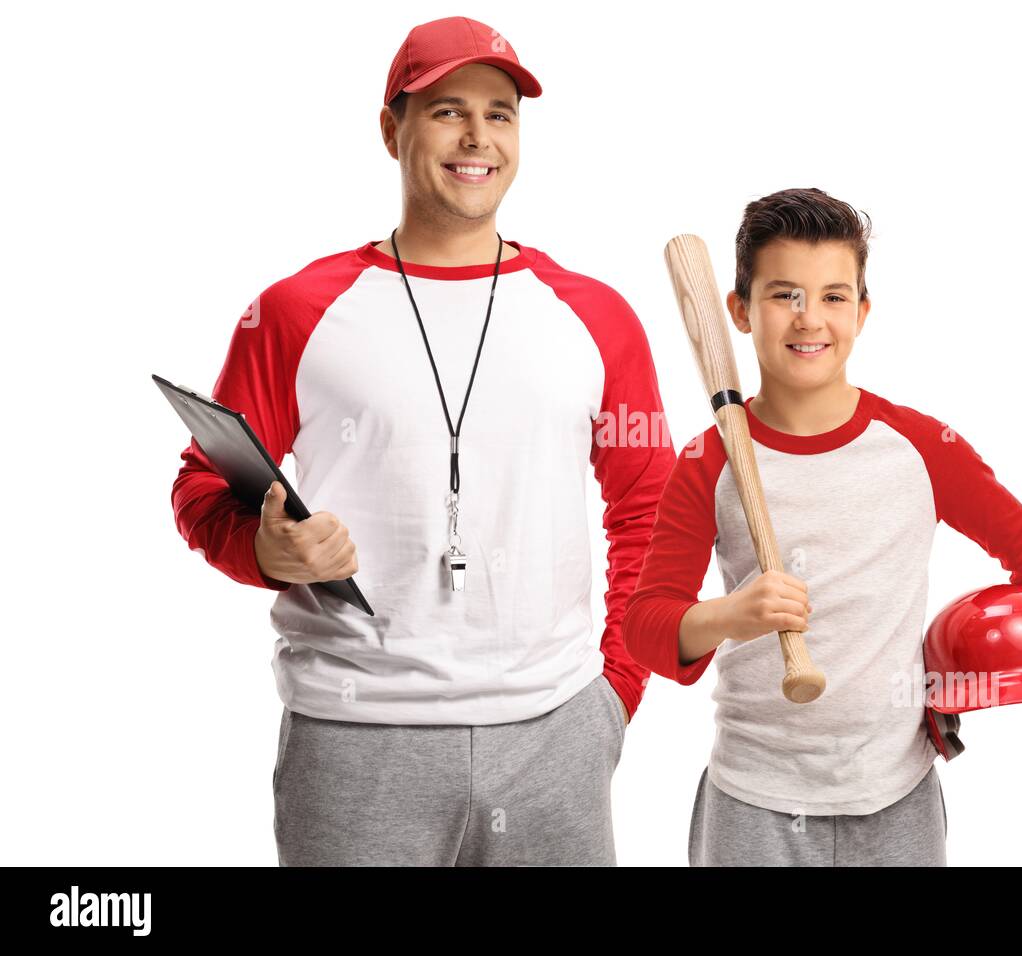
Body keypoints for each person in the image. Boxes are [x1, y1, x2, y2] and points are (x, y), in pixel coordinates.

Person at [168, 16, 676, 866]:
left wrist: (616, 692)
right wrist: (266, 549)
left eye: (501, 113)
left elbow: (652, 508)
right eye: (446, 110)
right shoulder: (296, 310)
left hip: (553, 734)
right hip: (354, 738)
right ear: (390, 128)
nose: (478, 136)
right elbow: (201, 487)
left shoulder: (595, 315)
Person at [623, 187, 1022, 867]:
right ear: (738, 310)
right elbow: (646, 629)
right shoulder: (708, 462)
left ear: (862, 310)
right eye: (783, 295)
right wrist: (730, 615)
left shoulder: (917, 446)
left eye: (832, 296)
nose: (809, 319)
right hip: (754, 800)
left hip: (895, 797)